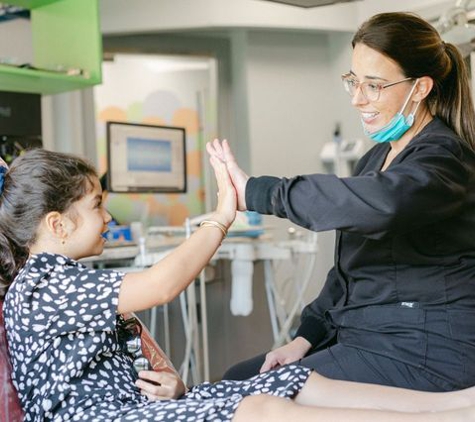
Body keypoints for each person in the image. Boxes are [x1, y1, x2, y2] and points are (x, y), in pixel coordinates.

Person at [3, 152, 475, 421]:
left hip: (127, 408)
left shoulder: (65, 280)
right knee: (260, 410)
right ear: (57, 225)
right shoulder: (42, 286)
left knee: (294, 376)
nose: (108, 217)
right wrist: (222, 216)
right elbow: (162, 285)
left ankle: (453, 406)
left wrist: (173, 387)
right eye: (97, 206)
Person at [209, 11, 475, 393]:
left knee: (244, 399)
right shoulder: (376, 159)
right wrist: (306, 336)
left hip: (428, 348)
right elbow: (350, 272)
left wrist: (257, 192)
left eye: (374, 85)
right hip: (371, 336)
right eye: (352, 81)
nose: (357, 99)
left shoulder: (445, 158)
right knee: (238, 377)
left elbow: (385, 204)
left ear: (420, 88)